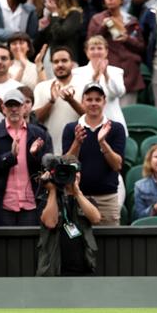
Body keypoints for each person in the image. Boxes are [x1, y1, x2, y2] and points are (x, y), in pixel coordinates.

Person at [0, 88, 53, 226]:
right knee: (4, 246)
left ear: (24, 108)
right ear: (3, 108)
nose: (14, 109)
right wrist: (10, 157)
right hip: (3, 203)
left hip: (32, 202)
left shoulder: (39, 133)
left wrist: (35, 154)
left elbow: (49, 168)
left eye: (17, 105)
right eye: (10, 105)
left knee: (31, 246)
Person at [63, 83, 126, 226]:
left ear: (104, 101)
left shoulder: (116, 128)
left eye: (97, 99)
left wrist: (103, 142)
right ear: (82, 101)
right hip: (77, 197)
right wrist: (77, 143)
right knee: (75, 245)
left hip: (107, 198)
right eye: (89, 99)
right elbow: (66, 164)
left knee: (110, 246)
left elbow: (117, 165)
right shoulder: (71, 128)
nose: (93, 103)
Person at [37, 154, 101, 276]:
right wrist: (52, 190)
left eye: (77, 171)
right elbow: (50, 222)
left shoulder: (86, 200)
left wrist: (77, 193)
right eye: (69, 171)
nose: (74, 175)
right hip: (55, 270)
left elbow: (96, 218)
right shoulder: (47, 200)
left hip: (83, 269)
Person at [88, 0, 144, 107]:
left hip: (130, 73)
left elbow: (141, 47)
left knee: (128, 115)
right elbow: (90, 44)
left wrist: (127, 39)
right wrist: (103, 27)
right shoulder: (97, 19)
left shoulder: (131, 20)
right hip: (108, 72)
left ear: (121, 0)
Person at [33, 46, 85, 155]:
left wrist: (71, 101)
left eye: (64, 61)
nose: (60, 65)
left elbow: (89, 115)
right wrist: (51, 101)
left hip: (79, 149)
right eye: (56, 62)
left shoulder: (84, 85)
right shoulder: (41, 87)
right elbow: (36, 119)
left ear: (72, 63)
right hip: (50, 150)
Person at [72, 36, 127, 132]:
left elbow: (119, 93)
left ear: (106, 51)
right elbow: (79, 96)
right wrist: (94, 77)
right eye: (92, 48)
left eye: (100, 48)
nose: (96, 52)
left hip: (112, 122)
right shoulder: (77, 72)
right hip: (87, 126)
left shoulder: (116, 71)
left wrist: (106, 75)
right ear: (86, 52)